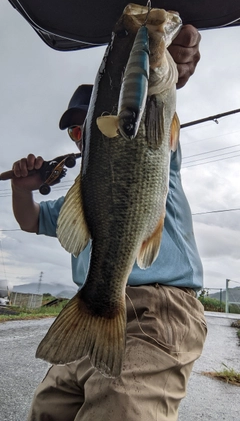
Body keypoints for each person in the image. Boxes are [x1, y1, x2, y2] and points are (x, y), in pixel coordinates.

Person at [11, 25, 207, 421]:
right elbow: (30, 221)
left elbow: (156, 103)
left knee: (120, 409)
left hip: (157, 310)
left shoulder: (152, 143)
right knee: (45, 411)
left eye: (86, 123)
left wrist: (169, 65)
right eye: (73, 131)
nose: (80, 136)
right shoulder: (81, 193)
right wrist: (22, 188)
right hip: (92, 309)